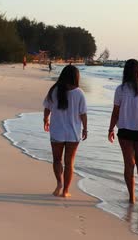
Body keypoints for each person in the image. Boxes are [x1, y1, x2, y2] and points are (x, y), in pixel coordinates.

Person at [107, 59, 138, 205]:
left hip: (125, 131)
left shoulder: (120, 89)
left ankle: (131, 197)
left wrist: (110, 129)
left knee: (129, 164)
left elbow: (115, 112)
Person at [43, 65, 88, 198]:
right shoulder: (79, 93)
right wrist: (85, 128)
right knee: (69, 163)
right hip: (73, 134)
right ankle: (66, 191)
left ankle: (59, 184)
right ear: (76, 77)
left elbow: (47, 108)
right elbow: (83, 114)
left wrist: (45, 119)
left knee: (57, 160)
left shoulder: (54, 90)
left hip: (57, 131)